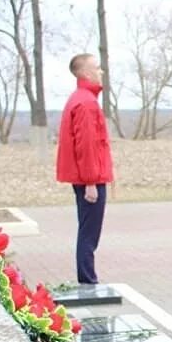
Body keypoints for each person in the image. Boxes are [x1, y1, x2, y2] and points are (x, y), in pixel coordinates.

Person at [56, 53, 113, 285]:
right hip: (90, 179)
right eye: (97, 68)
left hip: (88, 176)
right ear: (85, 73)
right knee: (89, 233)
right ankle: (88, 281)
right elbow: (87, 145)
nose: (101, 72)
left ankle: (87, 278)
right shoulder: (86, 102)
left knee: (88, 230)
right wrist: (91, 181)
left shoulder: (80, 98)